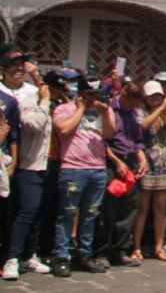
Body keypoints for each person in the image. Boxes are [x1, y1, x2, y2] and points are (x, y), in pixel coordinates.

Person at [51, 74, 116, 277]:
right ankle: (61, 256)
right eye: (88, 94)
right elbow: (63, 129)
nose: (92, 98)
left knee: (90, 215)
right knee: (67, 213)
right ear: (79, 93)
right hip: (73, 168)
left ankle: (84, 254)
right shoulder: (65, 109)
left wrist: (104, 112)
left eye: (95, 94)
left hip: (97, 169)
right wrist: (80, 109)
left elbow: (109, 133)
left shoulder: (103, 110)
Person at [2, 60, 51, 280]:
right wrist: (45, 101)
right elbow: (33, 125)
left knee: (37, 213)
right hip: (27, 163)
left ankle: (29, 255)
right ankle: (11, 258)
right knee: (25, 212)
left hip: (45, 163)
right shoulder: (28, 99)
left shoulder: (34, 93)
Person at [130, 81, 166, 263]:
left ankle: (159, 246)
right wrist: (161, 108)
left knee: (161, 208)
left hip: (165, 162)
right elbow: (143, 126)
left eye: (158, 96)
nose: (155, 98)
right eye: (152, 95)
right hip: (147, 160)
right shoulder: (140, 111)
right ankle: (136, 246)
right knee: (142, 208)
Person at [99, 80, 147, 267]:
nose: (133, 106)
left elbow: (137, 140)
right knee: (108, 209)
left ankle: (120, 250)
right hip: (113, 161)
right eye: (131, 102)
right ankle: (102, 251)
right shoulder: (110, 109)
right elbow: (102, 140)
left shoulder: (134, 113)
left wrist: (142, 159)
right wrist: (116, 162)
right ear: (124, 95)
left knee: (129, 208)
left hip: (130, 162)